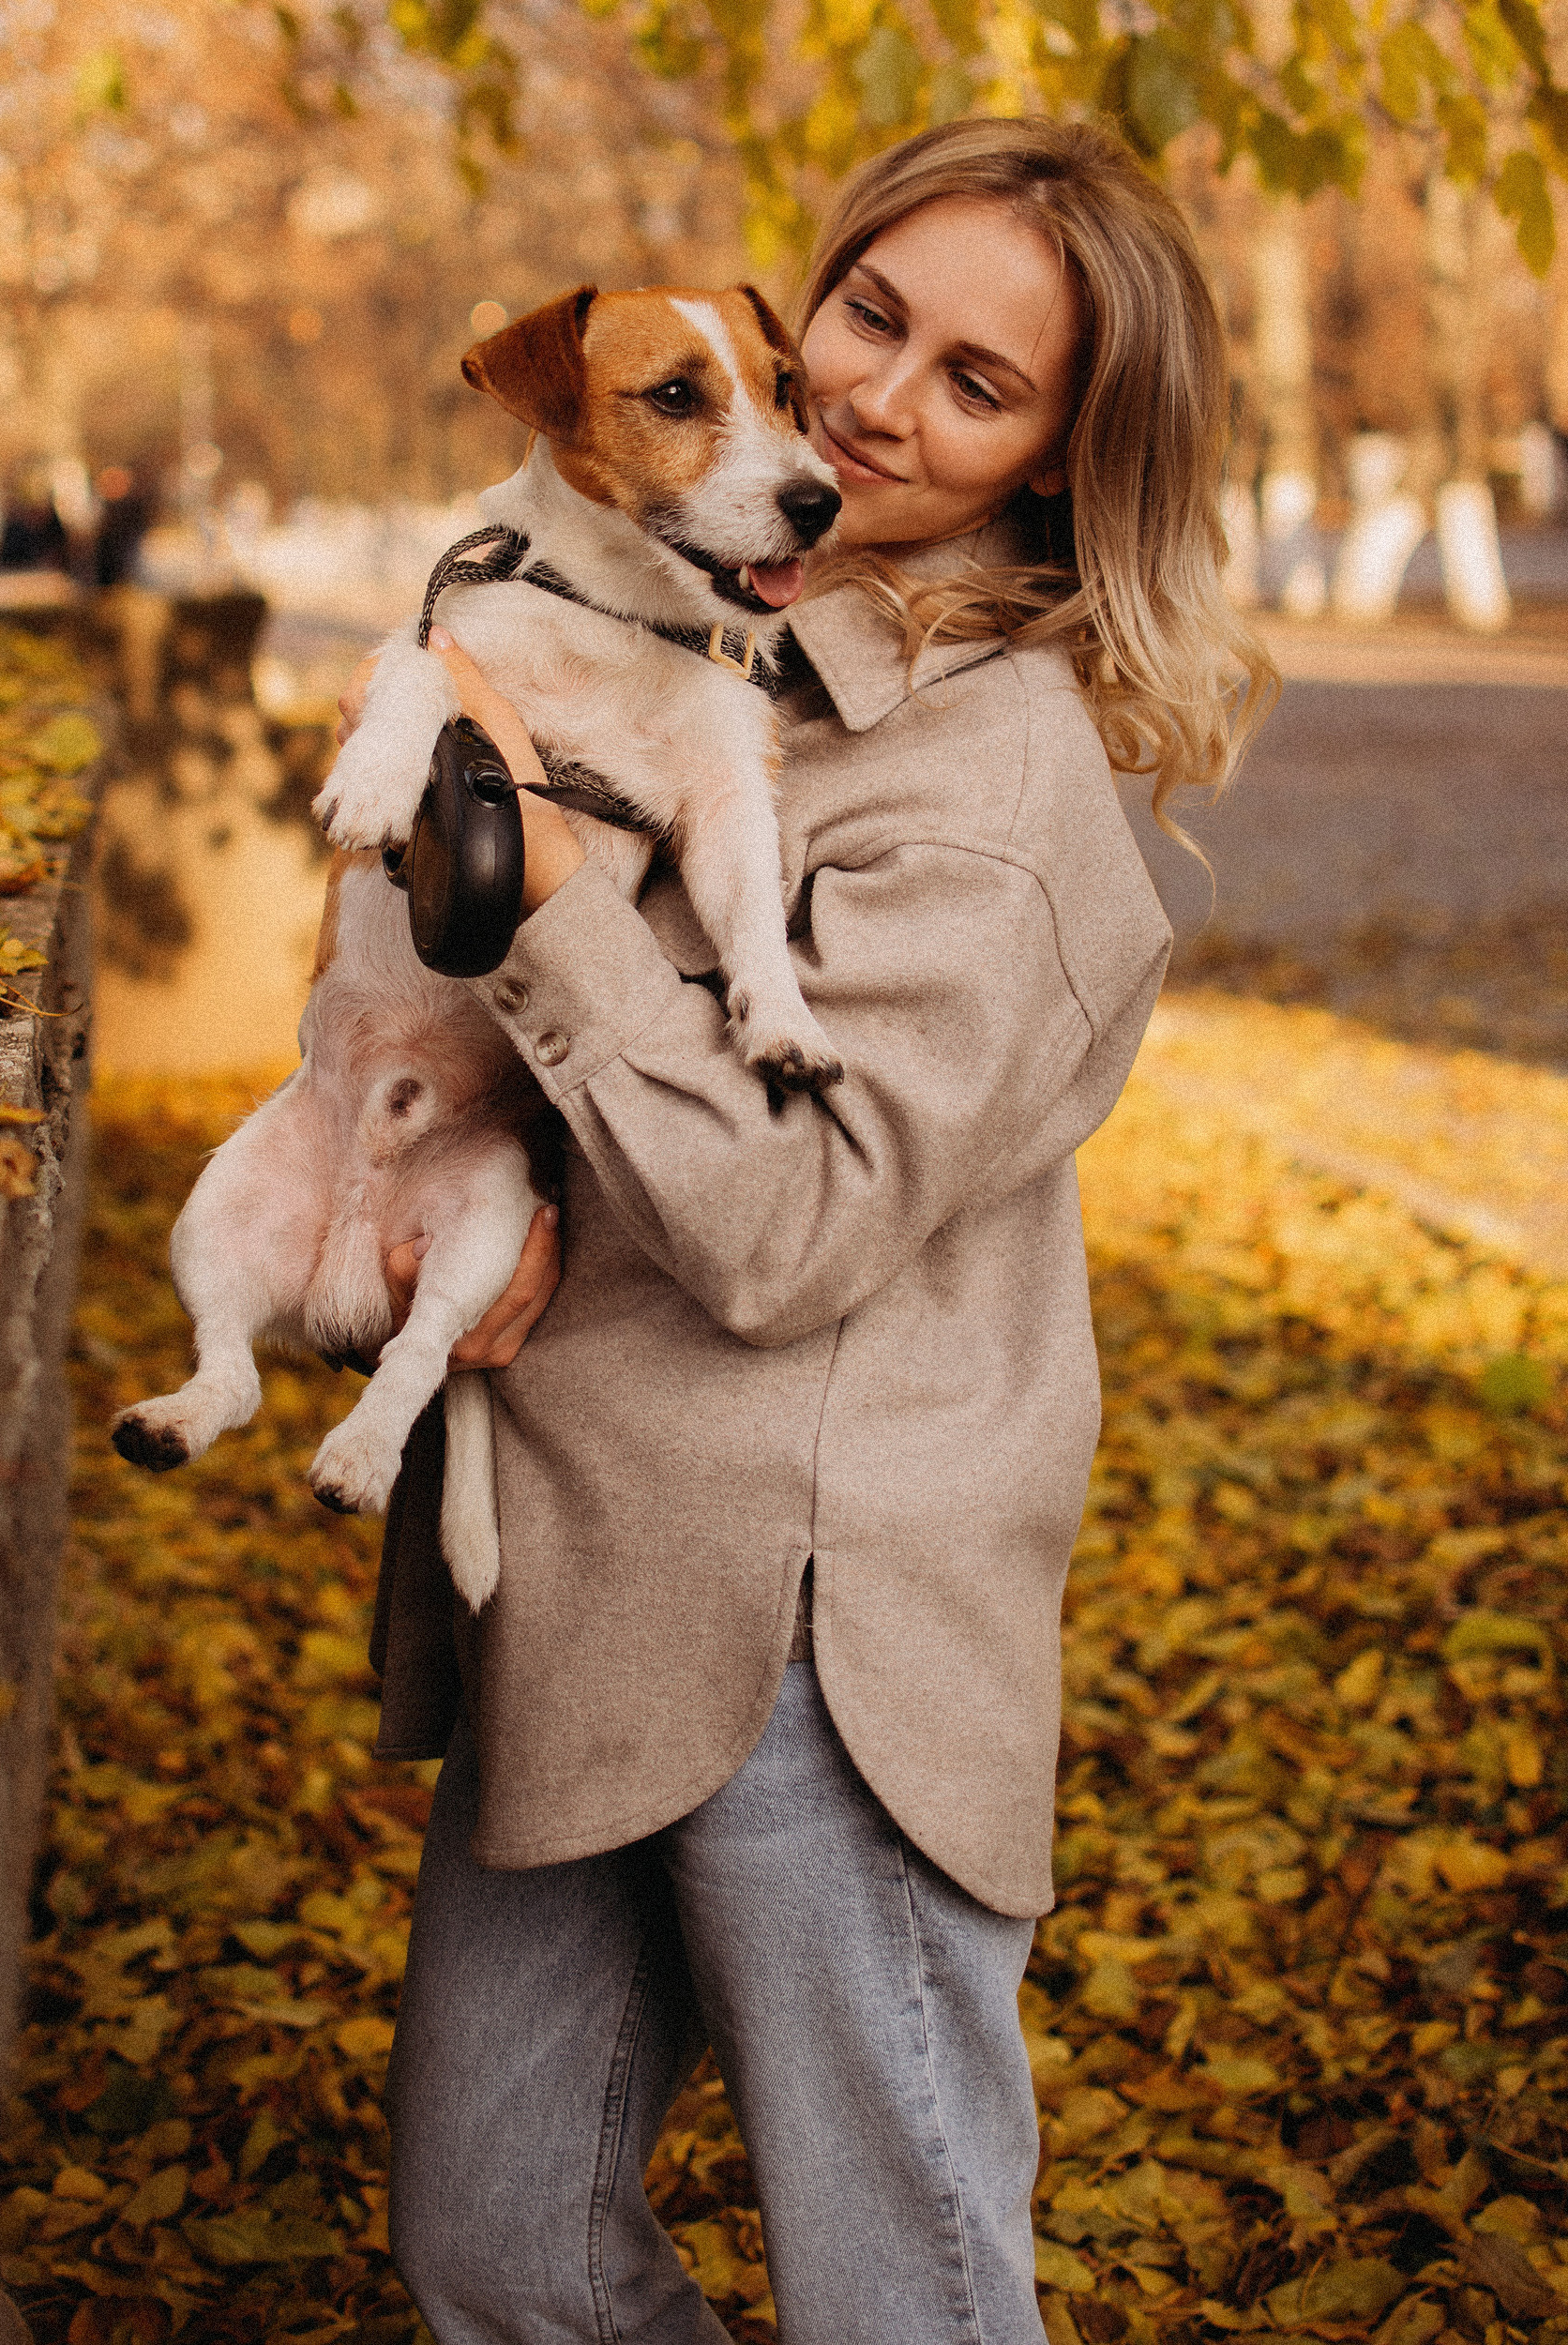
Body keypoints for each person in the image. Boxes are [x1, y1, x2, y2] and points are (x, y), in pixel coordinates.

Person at [336, 115, 1274, 2345]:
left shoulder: (1000, 784)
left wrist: (551, 908)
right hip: (580, 1572)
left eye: (976, 380)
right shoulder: (680, 620)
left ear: (1063, 459)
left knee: (902, 2297)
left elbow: (781, 1227)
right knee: (503, 2241)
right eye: (869, 313)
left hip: (813, 1639)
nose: (875, 395)